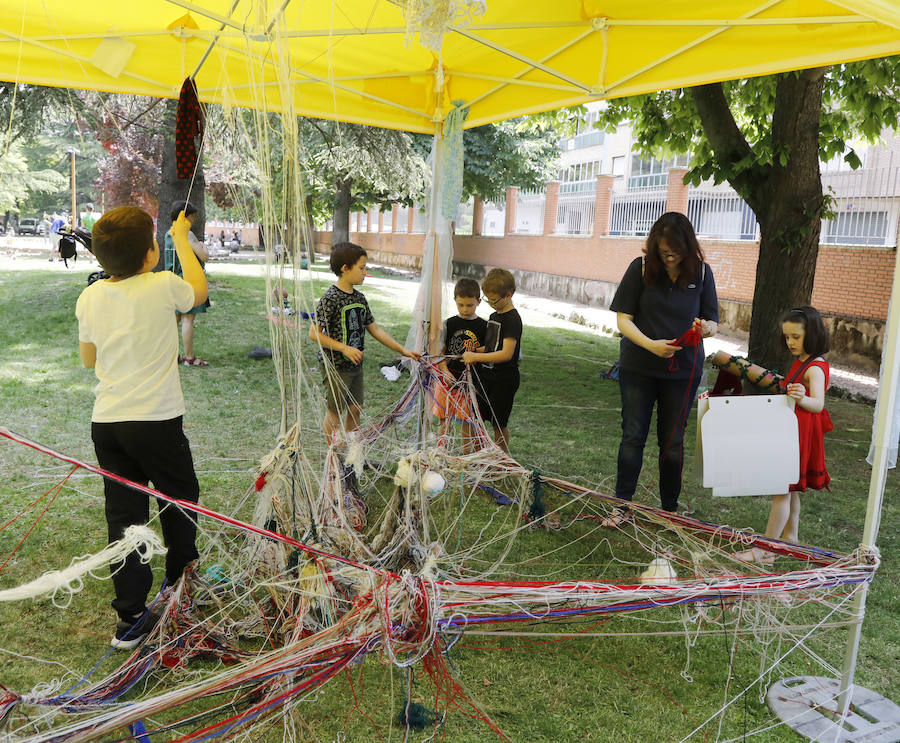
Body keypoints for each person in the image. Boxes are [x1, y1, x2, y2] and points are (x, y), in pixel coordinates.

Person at [75, 206, 208, 649]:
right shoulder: (162, 284)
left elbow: (89, 359)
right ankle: (180, 587)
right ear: (152, 254)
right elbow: (199, 290)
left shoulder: (90, 296)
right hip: (155, 421)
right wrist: (182, 239)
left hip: (108, 425)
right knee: (180, 499)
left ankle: (130, 617)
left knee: (126, 517)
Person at [605, 212, 718, 526]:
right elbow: (623, 320)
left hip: (682, 372)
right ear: (655, 246)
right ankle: (621, 506)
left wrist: (705, 328)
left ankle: (669, 510)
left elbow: (713, 322)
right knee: (632, 437)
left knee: (672, 443)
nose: (670, 257)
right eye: (664, 251)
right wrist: (651, 344)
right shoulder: (640, 269)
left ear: (688, 248)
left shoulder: (703, 273)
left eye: (676, 252)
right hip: (639, 367)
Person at [716, 306, 833, 563]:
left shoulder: (814, 367)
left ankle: (766, 550)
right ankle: (790, 538)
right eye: (787, 337)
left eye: (796, 337)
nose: (790, 342)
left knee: (781, 490)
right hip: (791, 430)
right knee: (790, 491)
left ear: (812, 334)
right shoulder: (802, 360)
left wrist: (803, 398)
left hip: (800, 434)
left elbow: (819, 405)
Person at [309, 242, 421, 441]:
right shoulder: (330, 298)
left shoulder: (360, 298)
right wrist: (344, 348)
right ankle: (334, 457)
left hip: (355, 365)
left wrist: (403, 350)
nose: (365, 272)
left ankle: (352, 452)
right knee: (335, 412)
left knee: (355, 407)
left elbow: (375, 329)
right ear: (345, 268)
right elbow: (314, 333)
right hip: (335, 365)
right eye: (361, 268)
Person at [462, 268, 523, 454]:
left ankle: (501, 459)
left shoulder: (512, 319)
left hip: (503, 380)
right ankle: (476, 454)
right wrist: (474, 350)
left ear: (508, 295)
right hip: (486, 377)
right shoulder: (494, 316)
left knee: (498, 423)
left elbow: (506, 354)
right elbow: (491, 347)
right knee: (476, 417)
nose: (490, 304)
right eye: (487, 300)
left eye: (493, 300)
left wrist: (476, 357)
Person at [435, 277, 487, 452]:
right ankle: (442, 453)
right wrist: (444, 371)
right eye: (461, 305)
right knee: (444, 419)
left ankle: (466, 456)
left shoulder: (484, 326)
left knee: (467, 421)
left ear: (479, 302)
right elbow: (440, 352)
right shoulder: (448, 324)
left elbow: (487, 353)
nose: (465, 309)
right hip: (447, 379)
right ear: (455, 300)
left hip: (469, 382)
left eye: (469, 305)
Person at [164, 201, 211, 366]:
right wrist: (203, 245)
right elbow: (204, 256)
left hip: (172, 279)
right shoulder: (187, 234)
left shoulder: (168, 234)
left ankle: (173, 355)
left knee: (174, 320)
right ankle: (189, 358)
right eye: (192, 216)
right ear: (185, 216)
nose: (194, 219)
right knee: (188, 320)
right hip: (188, 280)